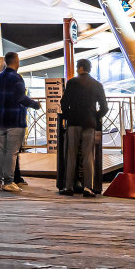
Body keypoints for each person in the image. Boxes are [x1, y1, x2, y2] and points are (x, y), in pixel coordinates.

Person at [0, 52, 41, 193]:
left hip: (0, 120)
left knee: (1, 151)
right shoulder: (17, 78)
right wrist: (35, 104)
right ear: (15, 61)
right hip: (15, 121)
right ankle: (9, 181)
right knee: (12, 153)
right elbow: (21, 98)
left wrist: (0, 109)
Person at [60, 58, 108, 197]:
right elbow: (104, 107)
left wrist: (68, 115)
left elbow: (64, 102)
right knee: (88, 156)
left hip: (74, 122)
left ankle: (68, 187)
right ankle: (88, 188)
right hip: (89, 123)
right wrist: (95, 116)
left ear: (80, 68)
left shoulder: (72, 82)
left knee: (71, 155)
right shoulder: (97, 84)